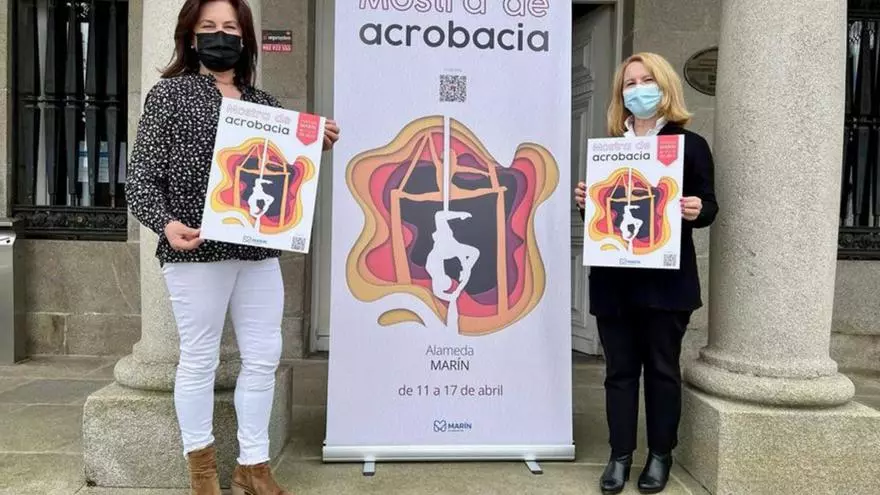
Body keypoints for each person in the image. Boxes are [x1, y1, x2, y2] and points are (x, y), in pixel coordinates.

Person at [125, 1, 339, 494]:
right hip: (196, 252)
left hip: (257, 252)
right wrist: (165, 224)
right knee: (199, 359)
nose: (220, 36)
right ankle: (202, 473)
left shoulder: (264, 104)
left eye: (229, 28)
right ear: (190, 36)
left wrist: (314, 145)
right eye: (209, 27)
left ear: (244, 39)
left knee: (263, 356)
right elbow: (141, 179)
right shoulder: (170, 95)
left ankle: (253, 466)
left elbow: (284, 166)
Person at [574, 52, 718, 495]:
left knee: (661, 369)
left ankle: (660, 454)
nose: (638, 89)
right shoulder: (610, 147)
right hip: (614, 281)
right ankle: (619, 456)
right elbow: (601, 217)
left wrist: (696, 208)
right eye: (629, 83)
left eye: (646, 80)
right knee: (619, 372)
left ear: (664, 85)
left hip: (665, 284)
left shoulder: (690, 145)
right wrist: (585, 203)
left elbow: (709, 206)